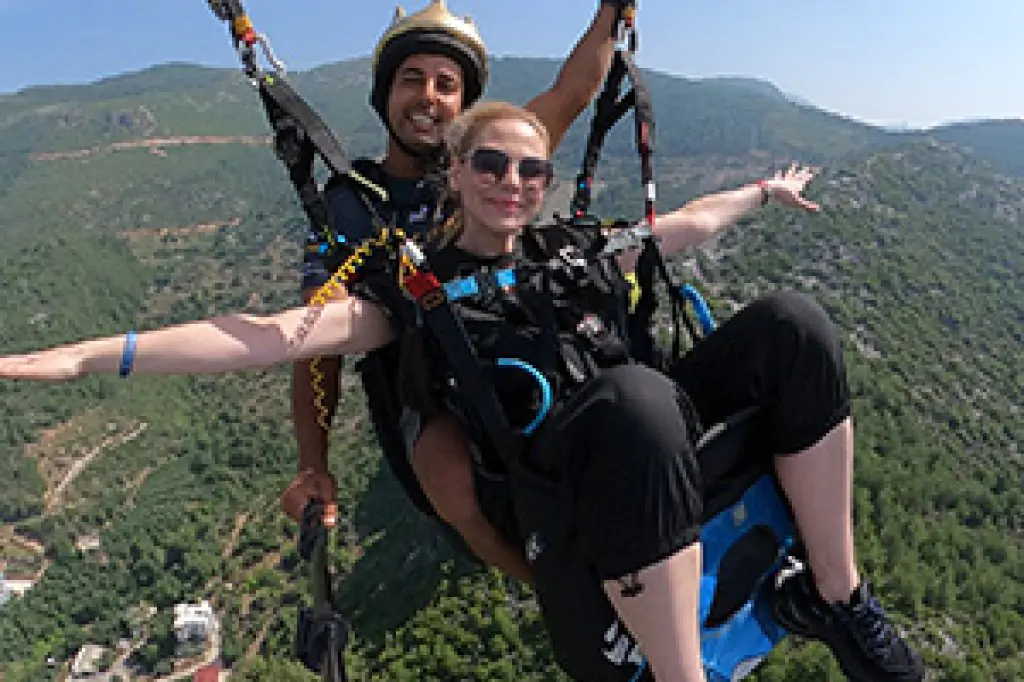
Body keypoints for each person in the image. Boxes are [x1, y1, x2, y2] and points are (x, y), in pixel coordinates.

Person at [0, 102, 924, 682]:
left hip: (657, 444)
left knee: (794, 325)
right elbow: (266, 336)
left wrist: (763, 190)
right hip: (574, 499)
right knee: (637, 398)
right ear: (455, 173)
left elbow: (685, 223)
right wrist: (92, 357)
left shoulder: (578, 247)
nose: (513, 183)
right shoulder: (420, 301)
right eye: (490, 164)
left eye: (531, 170)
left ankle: (839, 602)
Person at [285, 0, 628, 583]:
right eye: (411, 79)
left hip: (519, 347)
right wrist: (313, 464)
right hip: (429, 388)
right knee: (456, 494)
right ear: (385, 94)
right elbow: (318, 337)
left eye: (447, 85)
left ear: (465, 107)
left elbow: (570, 93)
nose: (428, 98)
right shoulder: (356, 202)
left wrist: (611, 15)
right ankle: (552, 589)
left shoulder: (489, 168)